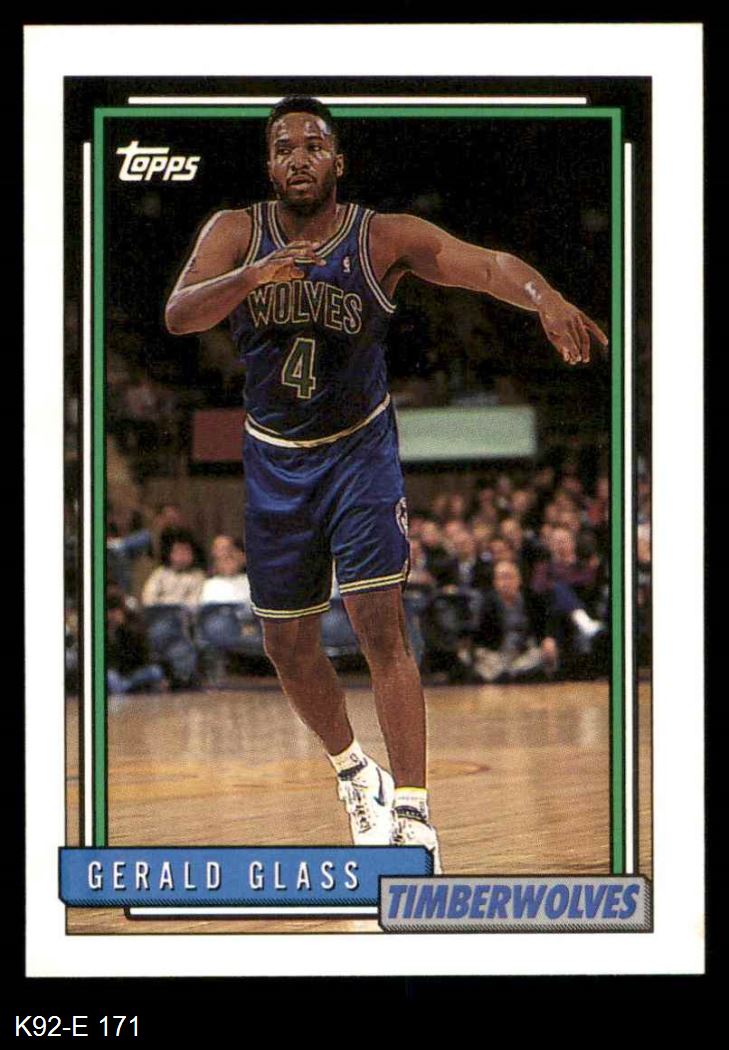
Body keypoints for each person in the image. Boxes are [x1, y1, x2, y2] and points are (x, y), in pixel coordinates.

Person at [165, 96, 608, 872]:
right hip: (274, 458)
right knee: (285, 643)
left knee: (378, 621)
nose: (298, 157)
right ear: (268, 165)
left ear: (339, 162)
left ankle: (412, 812)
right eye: (283, 147)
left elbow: (484, 265)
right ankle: (353, 773)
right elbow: (178, 314)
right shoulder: (236, 231)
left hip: (358, 450)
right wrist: (251, 275)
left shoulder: (380, 236)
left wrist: (545, 298)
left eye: (313, 145)